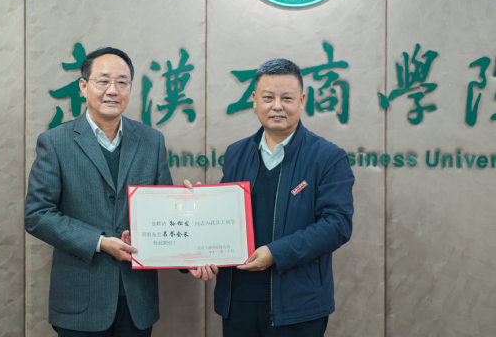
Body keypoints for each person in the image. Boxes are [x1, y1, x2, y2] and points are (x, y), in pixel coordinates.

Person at [185, 58, 354, 337]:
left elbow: (337, 226)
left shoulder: (328, 157)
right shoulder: (237, 153)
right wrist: (197, 208)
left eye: (286, 98)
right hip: (237, 300)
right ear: (254, 100)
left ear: (302, 101)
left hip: (298, 305)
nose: (277, 106)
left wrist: (276, 253)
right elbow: (224, 219)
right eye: (268, 98)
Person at [25, 47, 173, 337]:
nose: (113, 90)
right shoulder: (55, 142)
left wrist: (188, 213)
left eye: (122, 82)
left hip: (137, 301)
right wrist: (100, 242)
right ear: (83, 86)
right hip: (80, 302)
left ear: (130, 88)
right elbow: (37, 215)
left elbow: (164, 210)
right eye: (103, 81)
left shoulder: (152, 141)